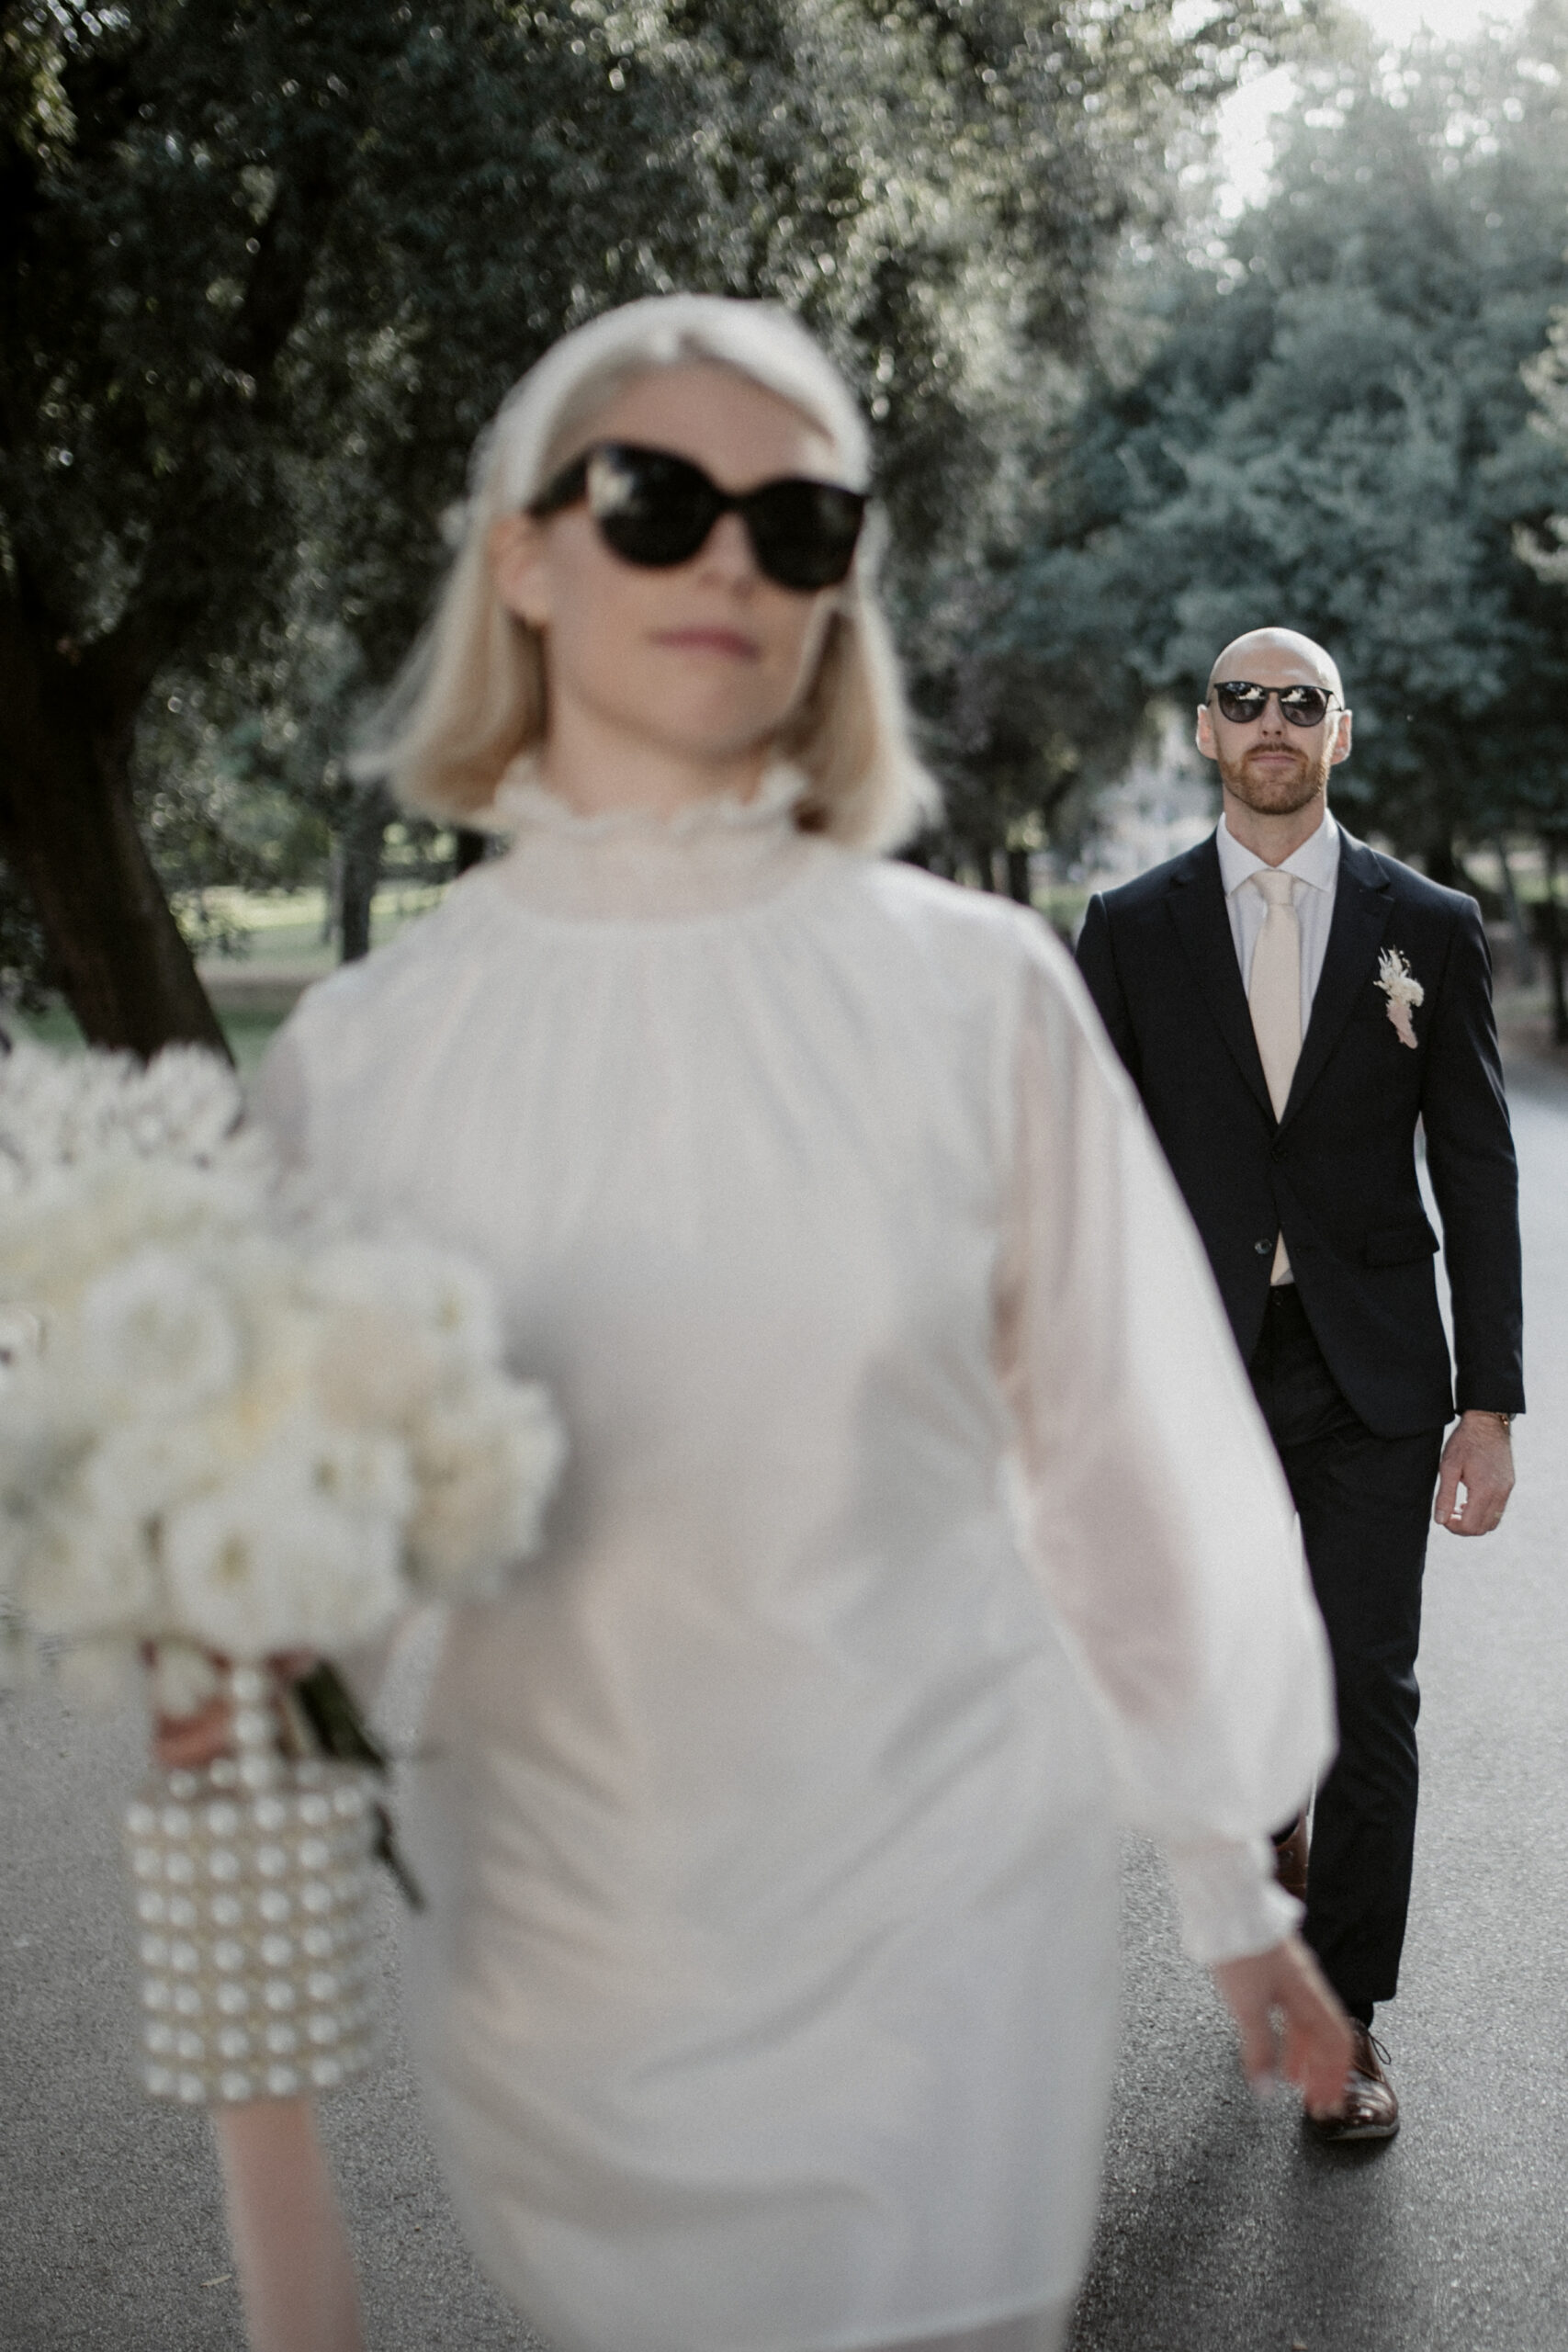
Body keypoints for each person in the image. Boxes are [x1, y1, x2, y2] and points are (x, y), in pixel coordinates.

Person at [175, 303, 1350, 2352]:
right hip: (565, 1966)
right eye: (656, 497)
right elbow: (280, 1651)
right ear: (522, 554)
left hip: (949, 1945)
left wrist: (1228, 1891)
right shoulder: (363, 1064)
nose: (730, 554)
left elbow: (1110, 1467)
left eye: (799, 520)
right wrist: (288, 2260)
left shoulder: (980, 994)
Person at [1076, 627, 1525, 2144]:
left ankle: (1350, 2022)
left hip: (1372, 1373)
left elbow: (1478, 1170)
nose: (1272, 722)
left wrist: (1490, 1401)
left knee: (1368, 1690)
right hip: (1193, 1373)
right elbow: (1085, 1172)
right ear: (1208, 730)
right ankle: (1271, 1814)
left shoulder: (1430, 927)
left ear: (1342, 733)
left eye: (1302, 703)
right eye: (1245, 701)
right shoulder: (1128, 928)